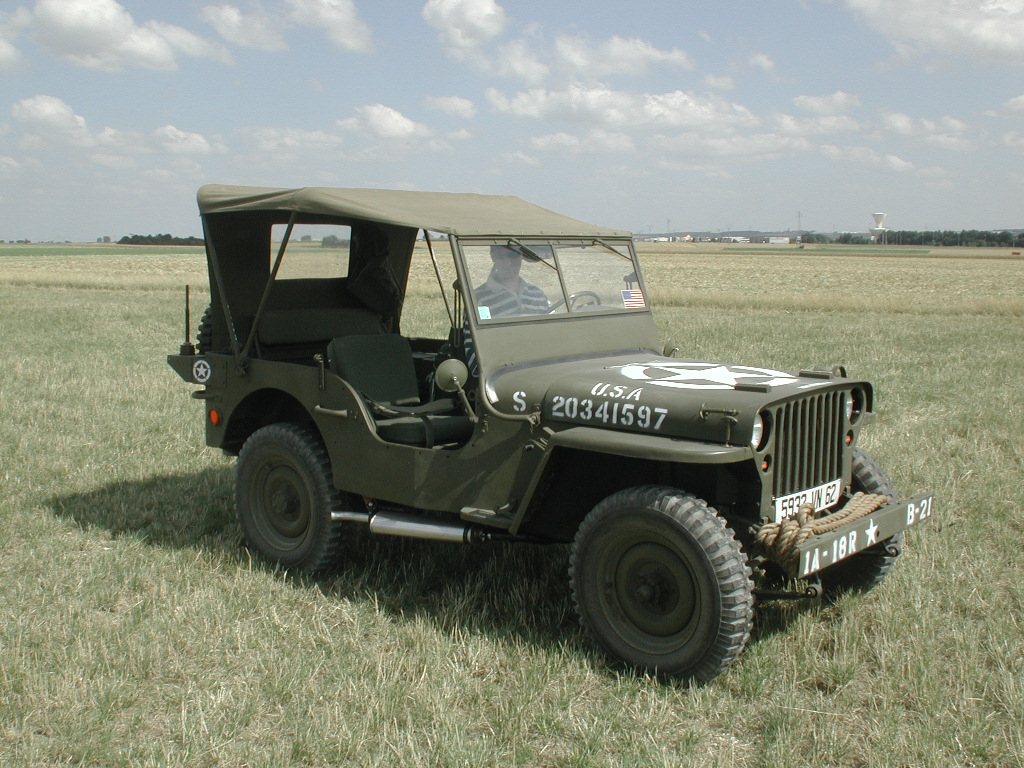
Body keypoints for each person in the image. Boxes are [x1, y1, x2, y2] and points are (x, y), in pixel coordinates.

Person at [472, 244, 549, 318]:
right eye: (501, 256)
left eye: (513, 255)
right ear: (493, 256)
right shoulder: (477, 299)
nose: (508, 262)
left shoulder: (538, 295)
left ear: (522, 256)